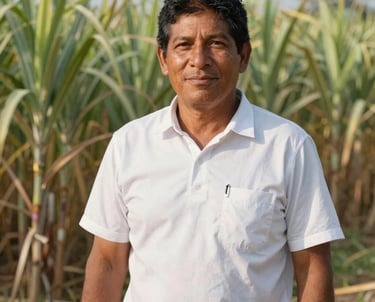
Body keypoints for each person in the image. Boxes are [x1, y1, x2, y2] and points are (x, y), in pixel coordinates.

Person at [79, 0, 344, 301]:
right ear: (163, 59)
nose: (199, 60)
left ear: (243, 56)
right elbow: (107, 260)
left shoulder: (287, 146)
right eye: (184, 45)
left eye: (216, 43)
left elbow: (312, 266)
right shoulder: (129, 145)